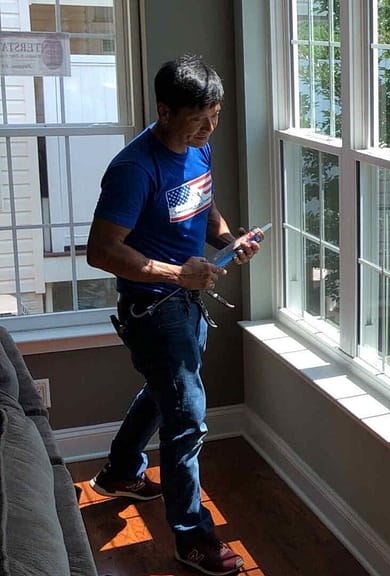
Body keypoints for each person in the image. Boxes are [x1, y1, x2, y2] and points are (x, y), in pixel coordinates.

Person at [85, 54, 260, 576]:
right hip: (152, 308)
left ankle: (119, 472)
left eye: (216, 114)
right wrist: (174, 273)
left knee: (167, 392)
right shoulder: (134, 169)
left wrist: (228, 240)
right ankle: (193, 538)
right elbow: (100, 250)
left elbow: (201, 204)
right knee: (187, 421)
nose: (209, 128)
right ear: (164, 110)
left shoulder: (197, 146)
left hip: (184, 305)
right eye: (198, 117)